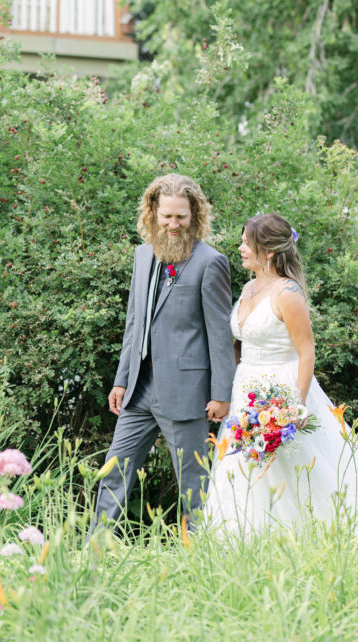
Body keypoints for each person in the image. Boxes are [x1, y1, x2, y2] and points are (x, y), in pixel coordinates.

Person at [203, 214, 358, 535]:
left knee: (297, 466)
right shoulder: (249, 287)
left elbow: (307, 352)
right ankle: (248, 536)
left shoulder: (287, 292)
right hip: (245, 389)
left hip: (282, 389)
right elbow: (240, 343)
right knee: (246, 465)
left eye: (247, 243)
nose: (241, 248)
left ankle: (313, 532)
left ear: (269, 252)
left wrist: (295, 406)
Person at [91, 174, 236, 534]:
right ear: (153, 213)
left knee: (195, 487)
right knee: (114, 472)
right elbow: (134, 324)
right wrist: (121, 380)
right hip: (139, 389)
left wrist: (221, 393)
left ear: (195, 215)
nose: (174, 225)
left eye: (182, 217)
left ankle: (198, 559)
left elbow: (220, 335)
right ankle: (93, 553)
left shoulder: (210, 262)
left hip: (188, 393)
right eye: (167, 216)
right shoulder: (142, 255)